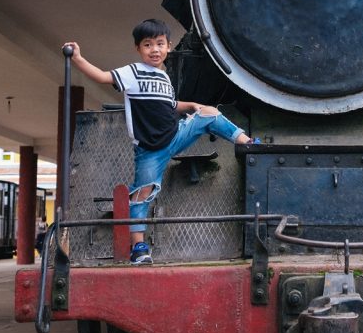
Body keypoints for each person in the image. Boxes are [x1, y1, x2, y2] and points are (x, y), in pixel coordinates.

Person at [64, 18, 255, 265]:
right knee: (142, 194)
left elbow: (171, 106)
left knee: (209, 112)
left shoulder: (165, 77)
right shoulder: (132, 72)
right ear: (138, 49)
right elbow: (101, 77)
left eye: (160, 44)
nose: (154, 49)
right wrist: (78, 58)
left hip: (175, 135)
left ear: (168, 46)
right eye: (147, 45)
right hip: (150, 150)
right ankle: (139, 247)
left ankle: (246, 141)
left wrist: (192, 106)